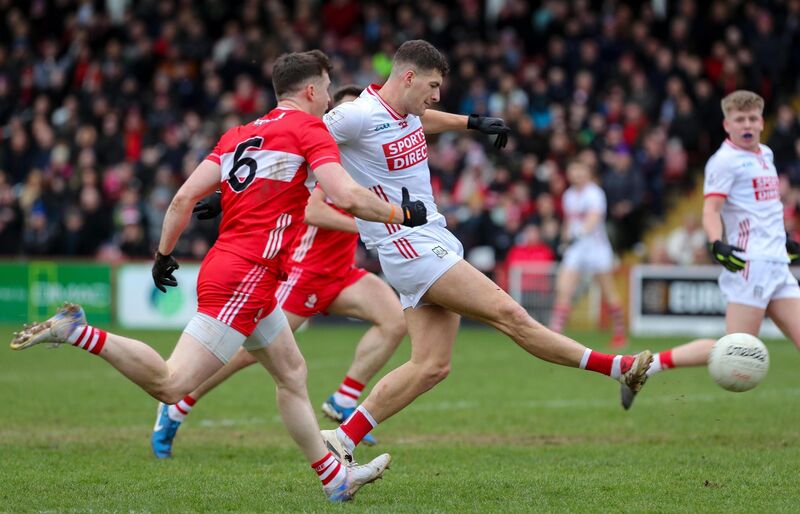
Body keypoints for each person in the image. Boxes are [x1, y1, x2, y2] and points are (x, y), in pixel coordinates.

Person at [9, 50, 431, 502]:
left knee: (291, 373)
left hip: (241, 270)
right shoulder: (308, 129)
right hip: (247, 275)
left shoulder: (239, 134)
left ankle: (335, 478)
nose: (331, 99)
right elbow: (345, 194)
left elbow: (184, 198)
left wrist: (163, 254)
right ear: (311, 90)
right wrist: (400, 213)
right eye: (328, 89)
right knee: (171, 383)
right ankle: (79, 333)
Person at [315, 40, 653, 466]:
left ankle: (342, 439)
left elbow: (425, 123)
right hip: (409, 246)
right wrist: (236, 188)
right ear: (408, 78)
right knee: (510, 315)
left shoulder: (406, 114)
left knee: (431, 366)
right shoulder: (356, 115)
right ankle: (617, 367)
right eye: (433, 86)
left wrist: (472, 122)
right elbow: (299, 138)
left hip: (425, 241)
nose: (437, 95)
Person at [150, 86, 402, 458]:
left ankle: (343, 399)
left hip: (341, 272)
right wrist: (371, 226)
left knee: (394, 320)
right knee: (244, 351)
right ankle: (179, 404)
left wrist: (468, 124)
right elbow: (312, 211)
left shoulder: (351, 156)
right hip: (303, 273)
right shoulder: (319, 153)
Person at [620, 90, 800, 410]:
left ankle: (643, 366)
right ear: (726, 124)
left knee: (734, 347)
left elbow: (763, 208)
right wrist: (717, 243)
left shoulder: (767, 155)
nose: (747, 124)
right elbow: (711, 210)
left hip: (777, 265)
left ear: (761, 121)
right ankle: (645, 365)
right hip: (749, 265)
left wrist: (783, 238)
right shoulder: (724, 161)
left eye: (752, 118)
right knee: (731, 350)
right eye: (739, 119)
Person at [548, 156, 628, 348]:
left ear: (588, 173)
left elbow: (593, 219)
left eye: (580, 170)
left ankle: (619, 334)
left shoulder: (595, 193)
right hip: (577, 249)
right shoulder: (568, 195)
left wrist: (579, 234)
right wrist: (565, 239)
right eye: (573, 171)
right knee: (563, 289)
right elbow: (569, 221)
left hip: (596, 248)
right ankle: (555, 335)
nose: (576, 175)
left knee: (608, 291)